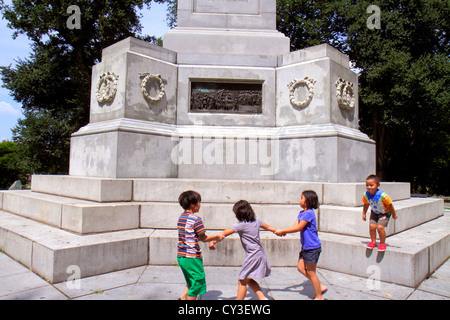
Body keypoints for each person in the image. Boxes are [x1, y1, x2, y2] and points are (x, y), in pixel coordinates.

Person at [210, 200, 277, 300]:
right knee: (248, 278)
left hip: (253, 255)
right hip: (259, 253)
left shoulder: (240, 225)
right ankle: (262, 298)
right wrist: (278, 231)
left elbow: (225, 233)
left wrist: (213, 241)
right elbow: (268, 227)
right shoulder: (256, 220)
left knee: (242, 280)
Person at [275, 190, 327, 300]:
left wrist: (282, 231)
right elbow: (294, 226)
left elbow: (299, 228)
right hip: (306, 247)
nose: (300, 200)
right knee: (300, 267)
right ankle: (319, 285)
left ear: (308, 201)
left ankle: (319, 296)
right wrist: (284, 231)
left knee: (311, 272)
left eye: (302, 198)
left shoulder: (309, 213)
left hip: (312, 247)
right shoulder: (301, 213)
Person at [177, 190, 224, 300]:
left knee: (190, 282)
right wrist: (217, 237)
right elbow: (203, 237)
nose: (200, 205)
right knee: (197, 283)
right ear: (193, 204)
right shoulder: (196, 219)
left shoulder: (181, 218)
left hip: (181, 256)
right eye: (199, 202)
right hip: (192, 256)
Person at [362, 174, 398, 252]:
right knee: (372, 226)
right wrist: (364, 213)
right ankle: (373, 241)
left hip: (384, 213)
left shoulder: (382, 195)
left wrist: (394, 214)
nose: (369, 187)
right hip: (374, 213)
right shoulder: (366, 195)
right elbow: (366, 204)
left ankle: (382, 243)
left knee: (380, 227)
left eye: (371, 185)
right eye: (367, 185)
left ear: (378, 185)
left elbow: (390, 205)